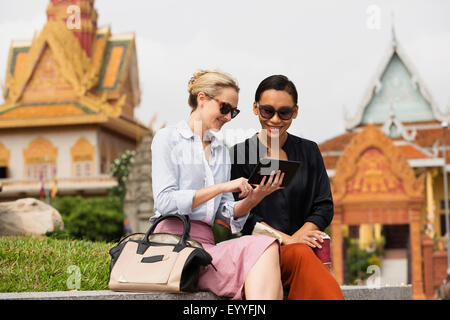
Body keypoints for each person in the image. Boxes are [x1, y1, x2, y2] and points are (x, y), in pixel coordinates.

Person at [150, 70, 285, 300]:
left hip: (206, 249)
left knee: (266, 245)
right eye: (225, 108)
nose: (229, 117)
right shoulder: (167, 138)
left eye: (234, 112)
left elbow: (226, 212)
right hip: (173, 246)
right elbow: (165, 202)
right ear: (202, 99)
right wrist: (223, 187)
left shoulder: (221, 152)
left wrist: (256, 197)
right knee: (262, 253)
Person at [230, 74, 345, 300]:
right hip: (262, 254)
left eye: (284, 112)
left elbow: (323, 206)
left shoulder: (309, 151)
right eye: (267, 111)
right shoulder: (239, 155)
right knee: (301, 253)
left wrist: (298, 240)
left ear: (295, 112)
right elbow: (241, 216)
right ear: (255, 108)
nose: (275, 119)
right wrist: (287, 240)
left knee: (302, 253)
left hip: (304, 249)